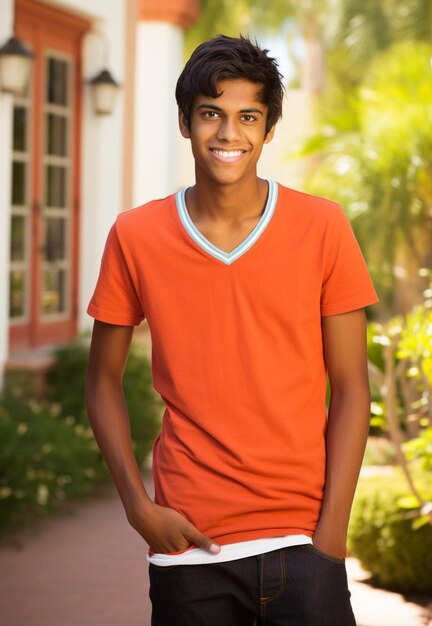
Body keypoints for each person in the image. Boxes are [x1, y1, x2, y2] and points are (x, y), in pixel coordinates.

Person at [85, 34, 379, 626]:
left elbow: (351, 389)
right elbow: (101, 382)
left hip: (303, 544)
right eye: (211, 114)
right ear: (185, 121)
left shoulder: (323, 227)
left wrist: (330, 541)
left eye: (248, 116)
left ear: (268, 130)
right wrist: (138, 508)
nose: (228, 134)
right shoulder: (135, 236)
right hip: (188, 549)